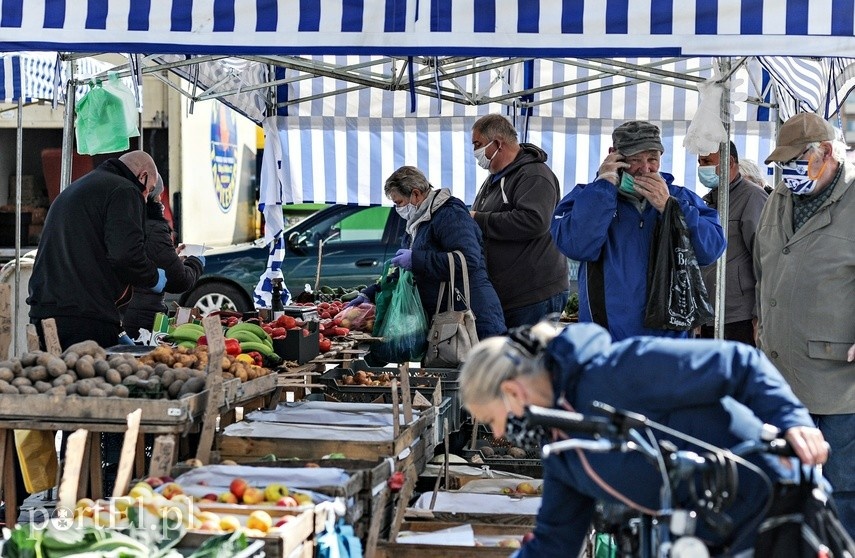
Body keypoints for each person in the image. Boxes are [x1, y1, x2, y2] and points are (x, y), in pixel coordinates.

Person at [459, 320, 829, 557]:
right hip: (718, 534)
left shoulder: (616, 370)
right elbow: (555, 542)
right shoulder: (561, 452)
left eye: (493, 419)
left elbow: (738, 362)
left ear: (513, 391)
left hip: (775, 500)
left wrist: (793, 420)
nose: (496, 433)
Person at [756, 111, 855, 538]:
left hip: (838, 377)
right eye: (782, 163)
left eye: (797, 160)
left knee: (842, 487)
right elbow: (766, 260)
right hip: (780, 369)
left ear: (826, 153)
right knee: (783, 486)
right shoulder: (780, 196)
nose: (787, 171)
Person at [550, 120, 726, 340]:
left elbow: (711, 250)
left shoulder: (681, 198)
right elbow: (577, 246)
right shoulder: (586, 196)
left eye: (652, 159)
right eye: (635, 160)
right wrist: (604, 187)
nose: (645, 168)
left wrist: (671, 209)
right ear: (613, 156)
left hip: (670, 339)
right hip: (608, 340)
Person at [28, 150, 167, 349]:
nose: (145, 199)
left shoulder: (78, 187)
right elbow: (126, 255)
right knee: (89, 379)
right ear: (142, 176)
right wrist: (153, 277)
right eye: (149, 189)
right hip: (83, 319)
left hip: (44, 312)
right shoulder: (126, 190)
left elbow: (90, 253)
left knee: (56, 378)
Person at [353, 166, 506, 341]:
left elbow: (467, 260)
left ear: (416, 194)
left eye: (399, 202)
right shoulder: (417, 222)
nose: (398, 209)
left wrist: (416, 260)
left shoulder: (450, 214)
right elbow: (405, 273)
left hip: (474, 317)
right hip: (446, 320)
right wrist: (370, 293)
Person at [469, 114, 569, 328]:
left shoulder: (535, 175)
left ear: (497, 143)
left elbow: (534, 221)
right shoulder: (494, 179)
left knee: (528, 360)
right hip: (508, 294)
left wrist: (479, 219)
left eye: (477, 145)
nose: (475, 153)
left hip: (533, 294)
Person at [697, 142, 768, 345]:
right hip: (711, 313)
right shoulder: (708, 200)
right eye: (700, 162)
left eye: (707, 162)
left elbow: (765, 258)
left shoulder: (752, 197)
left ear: (729, 162)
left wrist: (759, 315)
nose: (702, 168)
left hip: (740, 316)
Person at [122, 175, 205, 341]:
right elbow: (178, 280)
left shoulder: (124, 220)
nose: (161, 202)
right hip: (142, 315)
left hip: (123, 312)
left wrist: (173, 256)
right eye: (159, 196)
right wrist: (195, 262)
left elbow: (146, 257)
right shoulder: (154, 227)